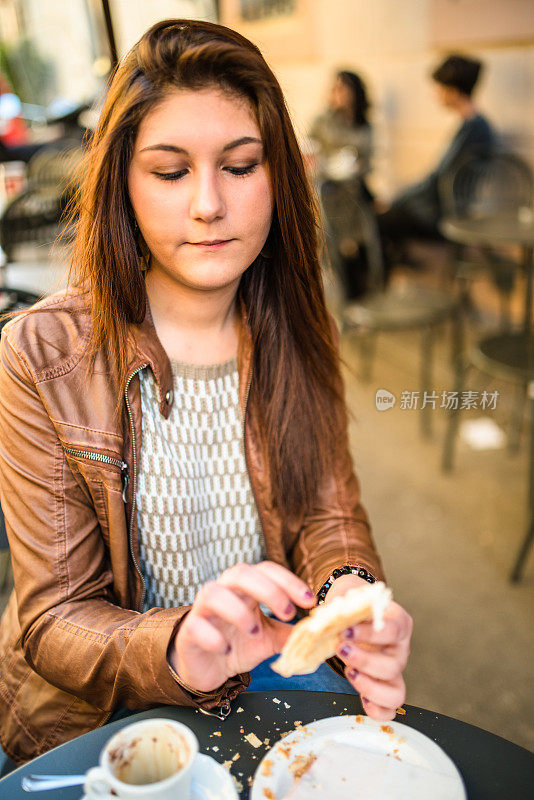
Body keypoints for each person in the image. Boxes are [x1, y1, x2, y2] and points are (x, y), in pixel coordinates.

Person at [0, 19, 412, 767]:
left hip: (268, 675)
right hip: (97, 716)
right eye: (170, 171)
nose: (208, 205)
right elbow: (56, 618)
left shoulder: (295, 320)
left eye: (241, 165)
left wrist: (353, 593)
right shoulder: (40, 354)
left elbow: (328, 511)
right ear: (123, 182)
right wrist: (181, 648)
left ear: (277, 174)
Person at [377, 54, 496, 278]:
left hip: (445, 216)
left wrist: (396, 201)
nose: (436, 95)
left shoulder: (474, 129)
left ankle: (383, 289)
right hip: (447, 209)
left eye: (439, 88)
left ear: (452, 90)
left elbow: (436, 179)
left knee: (376, 221)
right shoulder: (476, 126)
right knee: (386, 216)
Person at [310, 70, 374, 298]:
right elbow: (310, 150)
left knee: (360, 242)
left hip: (352, 193)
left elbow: (366, 162)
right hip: (326, 193)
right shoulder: (324, 120)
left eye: (343, 88)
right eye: (335, 88)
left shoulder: (363, 125)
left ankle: (360, 295)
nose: (338, 93)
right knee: (331, 243)